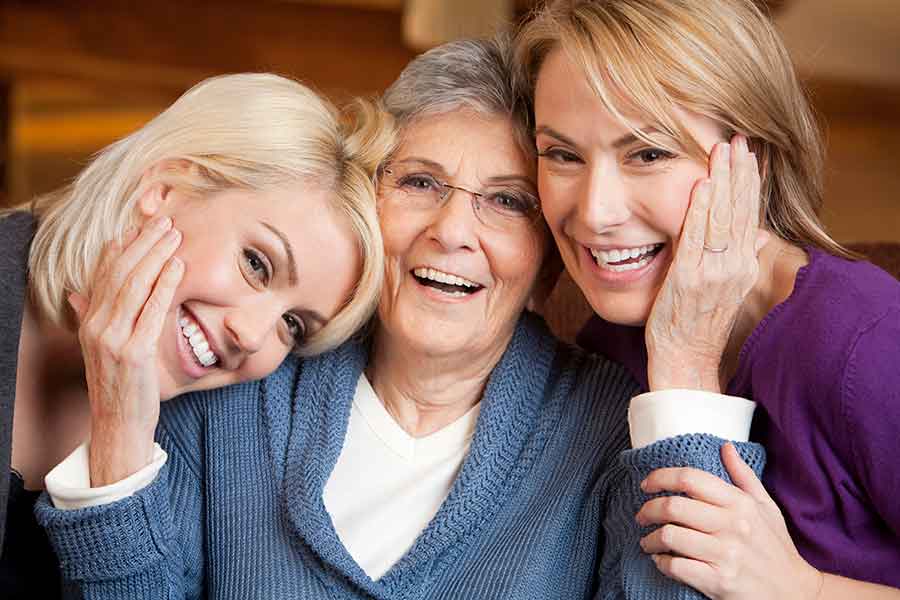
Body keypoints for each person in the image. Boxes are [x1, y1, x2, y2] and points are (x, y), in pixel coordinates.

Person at [36, 36, 769, 600]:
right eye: (420, 181)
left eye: (507, 201)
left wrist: (683, 361)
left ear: (550, 255)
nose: (452, 230)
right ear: (365, 207)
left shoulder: (615, 430)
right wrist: (119, 439)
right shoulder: (240, 378)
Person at [516, 0, 900, 596]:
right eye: (562, 155)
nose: (594, 212)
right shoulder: (608, 339)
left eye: (648, 154)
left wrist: (806, 590)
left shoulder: (866, 343)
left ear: (756, 164)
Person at [0, 72, 391, 597]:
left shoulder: (213, 443)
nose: (252, 336)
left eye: (292, 325)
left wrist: (121, 438)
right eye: (257, 263)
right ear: (163, 191)